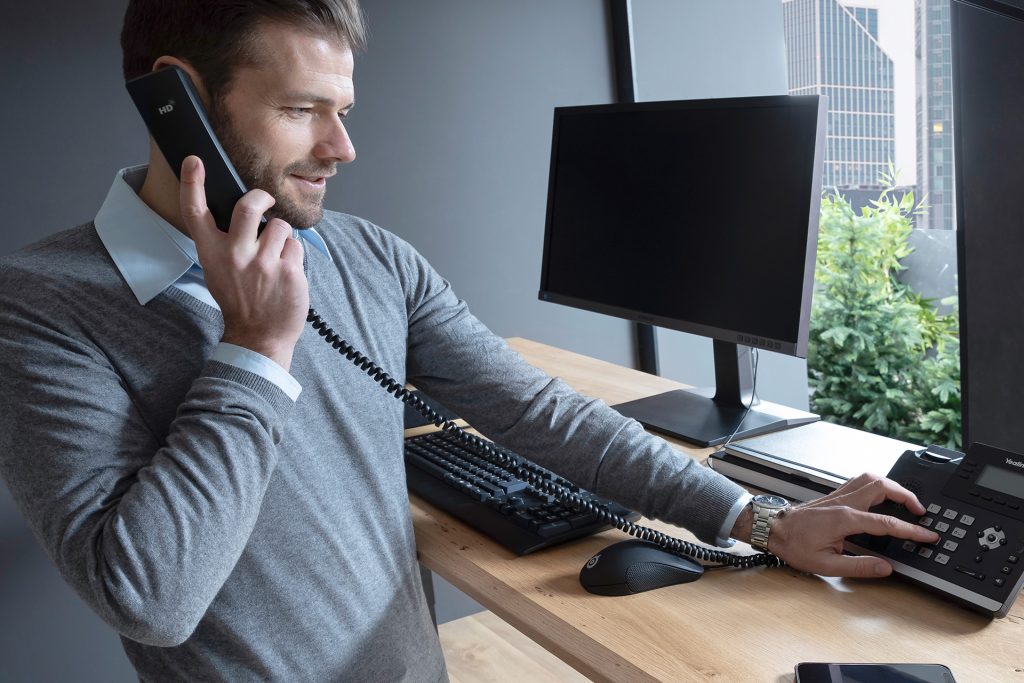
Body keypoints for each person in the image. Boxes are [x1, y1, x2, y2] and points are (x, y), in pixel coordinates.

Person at [0, 1, 939, 681]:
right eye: (301, 111)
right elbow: (151, 598)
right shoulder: (41, 307)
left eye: (345, 110)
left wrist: (759, 519)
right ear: (178, 102)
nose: (342, 147)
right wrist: (253, 351)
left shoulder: (368, 258)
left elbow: (539, 413)